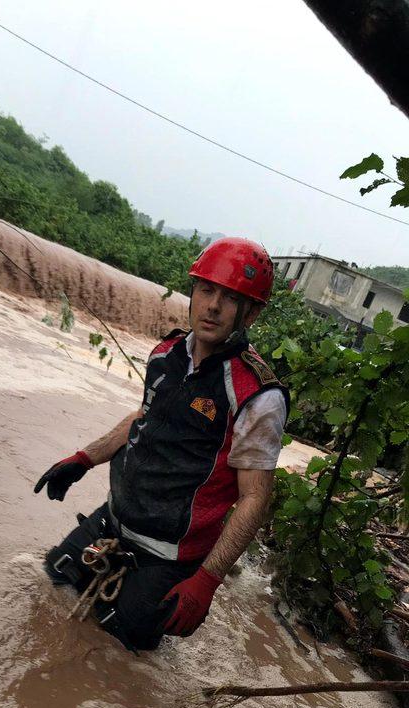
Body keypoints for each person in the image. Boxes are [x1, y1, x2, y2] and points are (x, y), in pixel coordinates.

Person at [34, 237, 289, 652]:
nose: (212, 306)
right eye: (206, 290)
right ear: (193, 292)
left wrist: (207, 580)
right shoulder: (164, 354)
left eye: (229, 298)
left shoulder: (257, 396)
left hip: (169, 552)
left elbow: (254, 497)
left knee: (124, 647)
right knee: (52, 579)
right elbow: (142, 419)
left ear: (252, 313)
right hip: (116, 519)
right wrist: (84, 459)